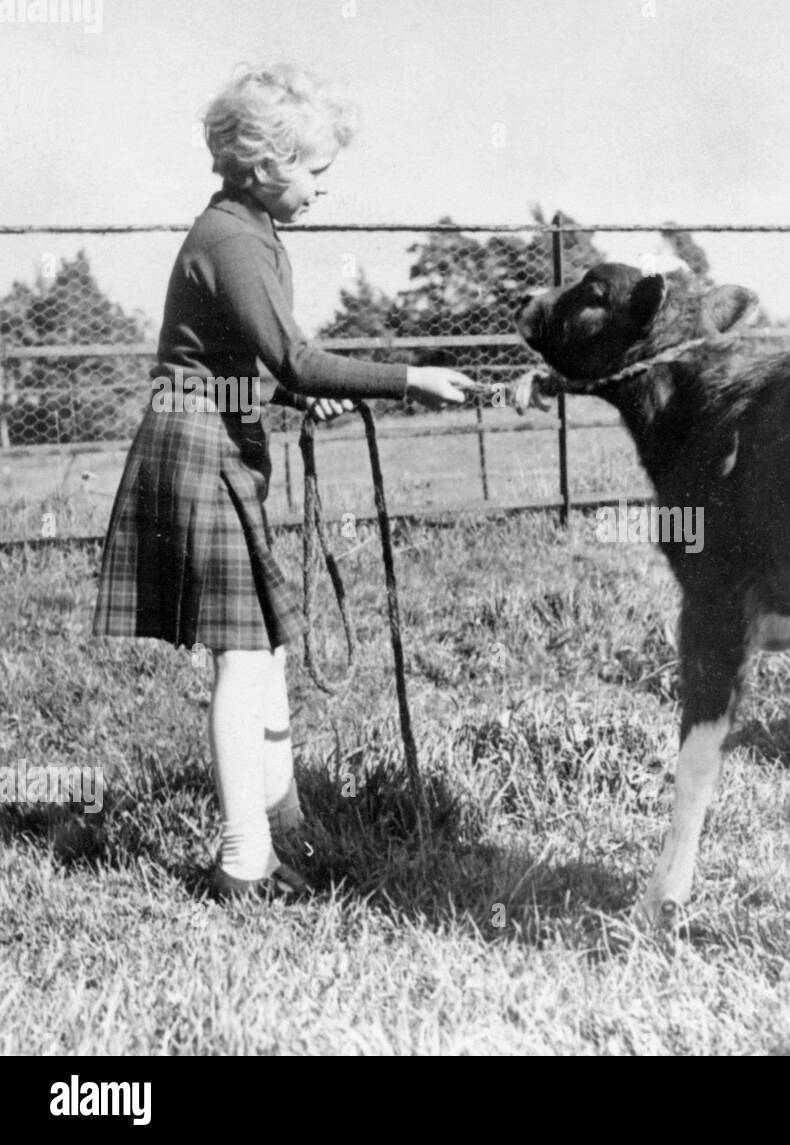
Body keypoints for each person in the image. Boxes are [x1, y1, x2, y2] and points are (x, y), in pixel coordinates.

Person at [92, 63, 474, 900]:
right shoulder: (232, 239)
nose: (323, 191)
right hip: (198, 446)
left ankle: (282, 825)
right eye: (316, 172)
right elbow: (294, 356)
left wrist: (301, 395)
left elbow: (266, 366)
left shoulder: (249, 233)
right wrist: (408, 377)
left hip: (222, 438)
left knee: (261, 651)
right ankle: (241, 859)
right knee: (242, 658)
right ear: (266, 163)